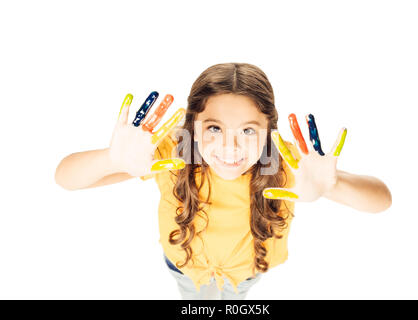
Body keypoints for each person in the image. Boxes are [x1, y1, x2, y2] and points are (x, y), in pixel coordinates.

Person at [54, 62, 392, 300]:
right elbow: (66, 178)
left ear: (268, 129)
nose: (230, 147)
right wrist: (111, 159)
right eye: (214, 128)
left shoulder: (286, 161)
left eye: (248, 130)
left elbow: (381, 200)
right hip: (183, 264)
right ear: (193, 124)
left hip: (247, 271)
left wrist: (333, 185)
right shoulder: (172, 149)